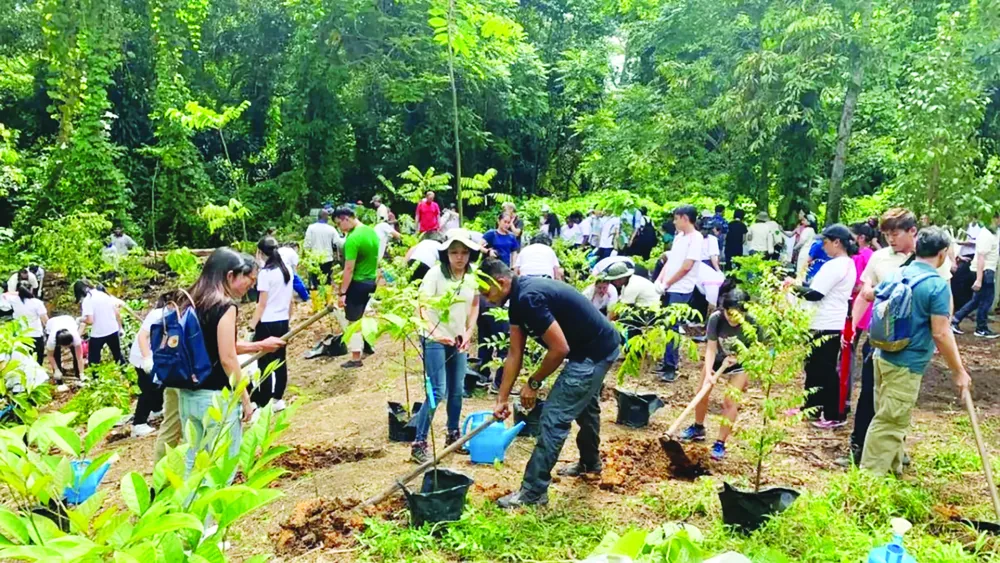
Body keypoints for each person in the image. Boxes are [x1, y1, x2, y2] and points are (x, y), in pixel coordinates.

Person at [481, 259, 620, 508]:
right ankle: (590, 464)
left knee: (554, 417)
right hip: (587, 350)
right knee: (584, 406)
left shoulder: (529, 298)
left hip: (594, 352)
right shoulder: (517, 300)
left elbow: (559, 349)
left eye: (486, 292)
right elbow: (514, 353)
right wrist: (501, 399)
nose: (486, 300)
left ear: (501, 283)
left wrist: (533, 383)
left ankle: (533, 492)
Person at [861, 227, 971, 476]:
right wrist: (958, 371)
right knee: (890, 422)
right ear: (942, 253)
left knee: (888, 415)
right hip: (906, 363)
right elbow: (941, 333)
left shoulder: (897, 274)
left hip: (882, 355)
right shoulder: (935, 286)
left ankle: (892, 472)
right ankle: (868, 482)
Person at [844, 208, 950, 465]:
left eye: (895, 232)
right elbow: (864, 293)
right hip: (879, 341)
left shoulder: (931, 260)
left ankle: (895, 454)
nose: (890, 238)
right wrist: (852, 329)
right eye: (886, 233)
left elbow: (942, 301)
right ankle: (859, 449)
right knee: (871, 396)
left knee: (896, 404)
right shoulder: (880, 258)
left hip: (910, 345)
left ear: (913, 231)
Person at [177, 248, 286, 475]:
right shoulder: (224, 306)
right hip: (215, 400)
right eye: (249, 279)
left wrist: (259, 345)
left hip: (188, 396)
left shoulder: (190, 298)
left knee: (191, 465)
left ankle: (188, 510)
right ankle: (211, 512)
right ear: (230, 275)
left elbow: (215, 345)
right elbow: (227, 358)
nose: (251, 285)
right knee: (220, 471)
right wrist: (245, 400)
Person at [410, 229, 481, 462]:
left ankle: (453, 435)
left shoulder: (472, 276)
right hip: (433, 337)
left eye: (464, 252)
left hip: (457, 338)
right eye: (454, 252)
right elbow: (421, 306)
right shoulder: (434, 275)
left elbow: (474, 305)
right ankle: (419, 442)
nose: (459, 257)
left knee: (457, 390)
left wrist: (469, 332)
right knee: (437, 390)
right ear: (446, 254)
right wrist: (437, 333)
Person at [791, 224, 857, 428]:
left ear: (837, 243)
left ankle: (834, 413)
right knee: (813, 366)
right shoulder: (842, 264)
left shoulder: (837, 265)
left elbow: (815, 293)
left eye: (826, 242)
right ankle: (811, 406)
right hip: (822, 322)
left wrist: (791, 287)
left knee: (825, 369)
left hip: (828, 324)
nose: (823, 246)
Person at [678, 289, 753, 459]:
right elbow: (711, 348)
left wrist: (741, 356)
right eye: (729, 314)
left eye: (737, 315)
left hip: (740, 364)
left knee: (729, 402)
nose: (732, 318)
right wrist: (710, 372)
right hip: (718, 359)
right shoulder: (716, 319)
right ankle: (698, 427)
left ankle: (720, 442)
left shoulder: (753, 323)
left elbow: (760, 350)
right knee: (701, 392)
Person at [654, 205, 704, 382]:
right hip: (669, 286)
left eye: (676, 218)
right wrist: (660, 280)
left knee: (673, 326)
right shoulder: (679, 237)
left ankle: (671, 366)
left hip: (681, 288)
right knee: (666, 325)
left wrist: (668, 282)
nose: (674, 222)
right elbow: (671, 261)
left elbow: (687, 266)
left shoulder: (696, 238)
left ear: (684, 218)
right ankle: (667, 360)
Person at [250, 236, 294, 411]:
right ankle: (278, 398)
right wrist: (288, 318)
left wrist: (251, 326)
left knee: (264, 362)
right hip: (282, 321)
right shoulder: (287, 270)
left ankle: (265, 400)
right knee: (280, 360)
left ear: (260, 252)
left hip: (267, 322)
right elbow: (291, 300)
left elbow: (261, 304)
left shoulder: (265, 274)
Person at [333, 206, 380, 368]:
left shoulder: (352, 239)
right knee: (363, 315)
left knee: (352, 320)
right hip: (371, 280)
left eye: (339, 224)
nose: (340, 228)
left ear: (346, 218)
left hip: (357, 283)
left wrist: (342, 292)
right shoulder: (371, 232)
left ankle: (355, 357)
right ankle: (368, 345)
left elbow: (349, 268)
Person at [128, 291, 175, 438]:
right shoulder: (157, 315)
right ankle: (138, 423)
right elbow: (143, 337)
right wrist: (147, 358)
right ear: (171, 304)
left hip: (155, 354)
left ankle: (156, 409)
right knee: (149, 388)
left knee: (158, 384)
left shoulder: (173, 316)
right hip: (142, 355)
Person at [951, 212, 1000, 338]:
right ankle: (981, 328)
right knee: (986, 300)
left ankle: (955, 320)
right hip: (984, 271)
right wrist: (978, 279)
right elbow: (981, 258)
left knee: (976, 300)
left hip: (988, 270)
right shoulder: (986, 235)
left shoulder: (994, 233)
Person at [75, 280, 124, 365]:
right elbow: (116, 312)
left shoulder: (87, 300)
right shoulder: (104, 294)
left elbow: (90, 320)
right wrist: (120, 328)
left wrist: (80, 319)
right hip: (113, 329)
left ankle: (95, 377)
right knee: (118, 355)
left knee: (94, 360)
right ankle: (126, 373)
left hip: (98, 333)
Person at [10, 282, 47, 364]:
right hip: (36, 334)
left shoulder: (13, 300)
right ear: (31, 289)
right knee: (37, 359)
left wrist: (17, 293)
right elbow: (45, 319)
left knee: (23, 359)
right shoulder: (37, 302)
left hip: (20, 334)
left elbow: (5, 295)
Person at [304, 209, 342, 289]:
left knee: (315, 281)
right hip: (328, 259)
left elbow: (307, 245)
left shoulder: (311, 228)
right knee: (327, 280)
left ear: (318, 217)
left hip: (314, 260)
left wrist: (306, 257)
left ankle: (317, 297)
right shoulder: (331, 229)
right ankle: (327, 297)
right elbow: (338, 242)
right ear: (327, 218)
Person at [44, 314, 84, 381]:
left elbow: (79, 357)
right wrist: (56, 369)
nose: (66, 348)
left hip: (68, 320)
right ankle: (59, 379)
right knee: (56, 355)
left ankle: (78, 375)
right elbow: (50, 356)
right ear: (59, 344)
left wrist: (82, 373)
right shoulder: (52, 340)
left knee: (75, 353)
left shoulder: (75, 337)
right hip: (51, 324)